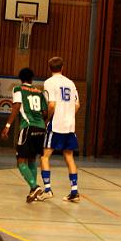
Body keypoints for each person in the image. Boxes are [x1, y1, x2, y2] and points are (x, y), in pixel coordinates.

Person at [1, 66, 47, 202]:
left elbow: (16, 106)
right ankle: (34, 192)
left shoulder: (18, 89)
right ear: (32, 79)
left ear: (20, 79)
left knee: (20, 161)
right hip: (41, 128)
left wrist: (7, 126)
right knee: (32, 159)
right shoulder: (39, 92)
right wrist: (40, 122)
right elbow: (45, 113)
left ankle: (34, 186)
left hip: (28, 127)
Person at [40, 56, 80, 202]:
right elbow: (77, 105)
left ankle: (47, 189)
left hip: (56, 124)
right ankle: (74, 192)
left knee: (45, 157)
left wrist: (47, 119)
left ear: (49, 68)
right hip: (69, 125)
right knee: (69, 157)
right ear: (62, 68)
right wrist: (68, 115)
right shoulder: (70, 83)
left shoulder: (49, 83)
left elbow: (51, 105)